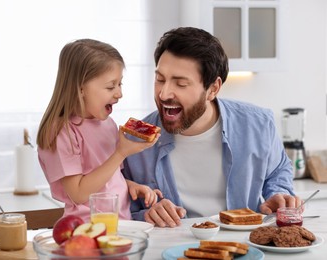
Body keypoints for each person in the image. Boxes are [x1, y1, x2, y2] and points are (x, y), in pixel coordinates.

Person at [122, 27, 302, 227]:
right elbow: (119, 208)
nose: (164, 94)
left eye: (180, 84)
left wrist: (279, 193)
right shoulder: (134, 140)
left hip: (244, 247)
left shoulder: (258, 124)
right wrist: (146, 215)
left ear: (212, 89)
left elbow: (278, 169)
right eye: (160, 79)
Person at [36, 39, 162, 222]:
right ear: (81, 89)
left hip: (120, 227)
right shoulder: (62, 132)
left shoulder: (108, 124)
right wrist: (120, 153)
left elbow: (105, 179)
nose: (119, 94)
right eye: (111, 86)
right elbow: (79, 193)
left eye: (120, 84)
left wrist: (129, 186)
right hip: (85, 229)